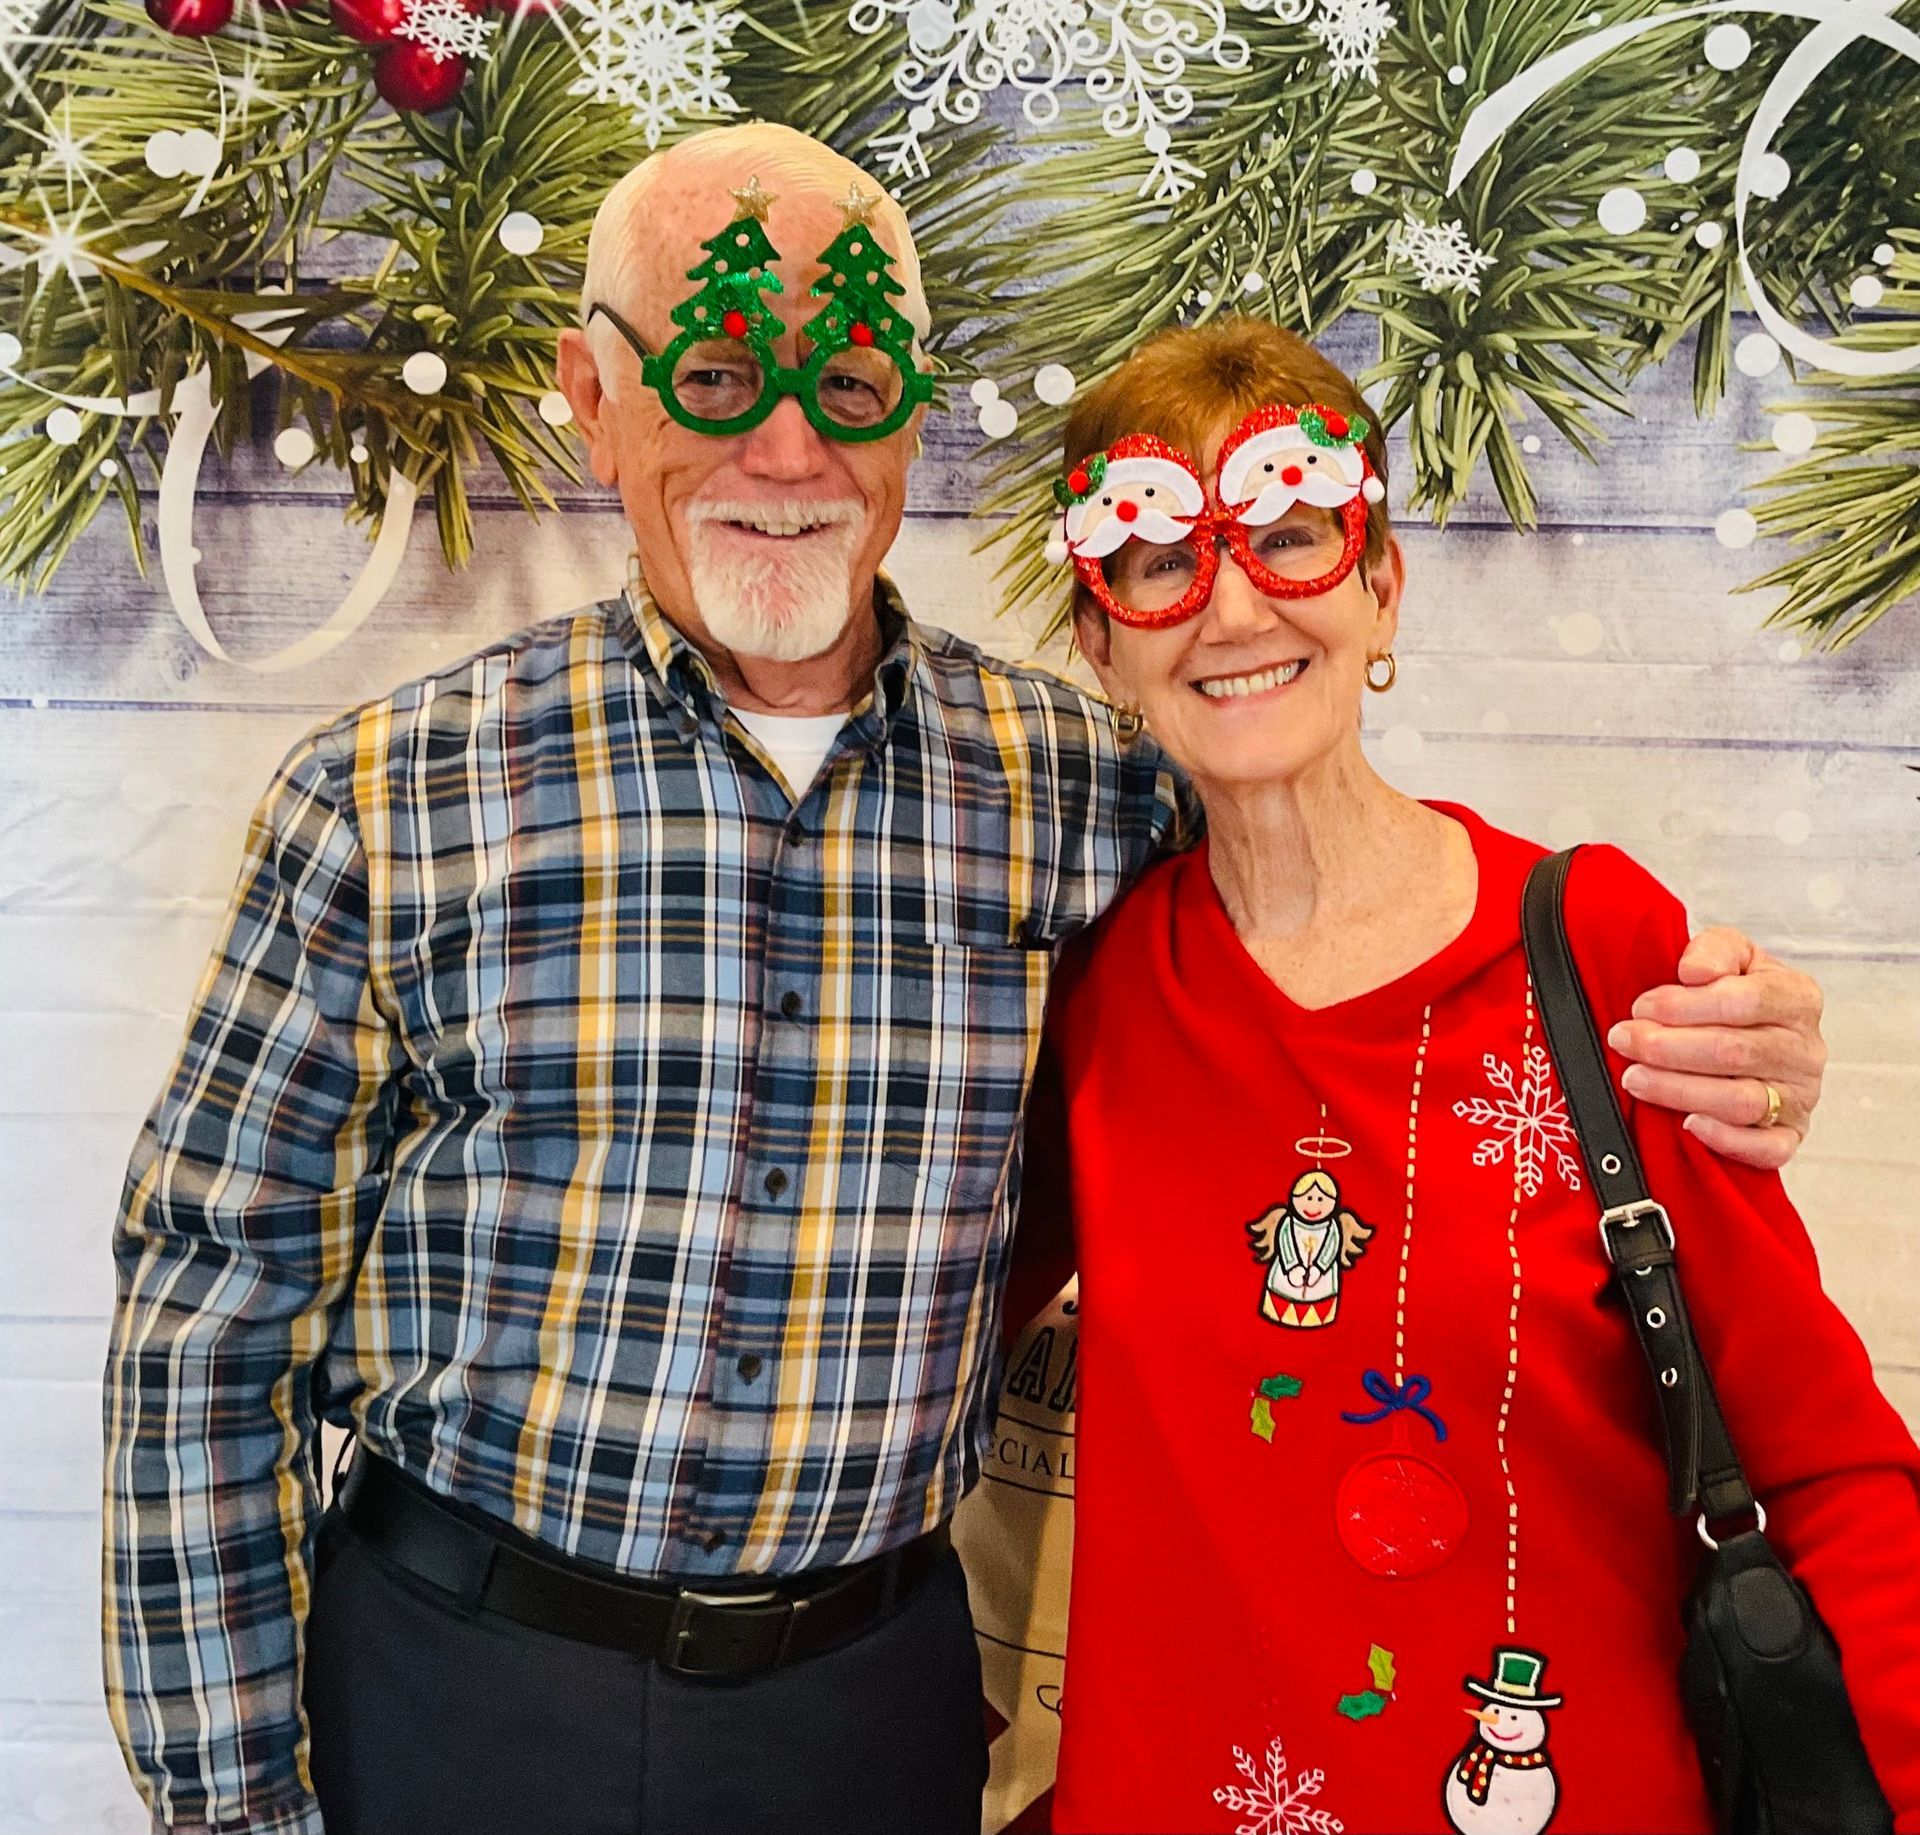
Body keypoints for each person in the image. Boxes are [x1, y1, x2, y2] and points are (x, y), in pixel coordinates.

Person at [102, 125, 1830, 1835]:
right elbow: (207, 1314)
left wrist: (1715, 1028)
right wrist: (230, 1803)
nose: (784, 448)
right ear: (590, 392)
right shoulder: (394, 796)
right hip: (462, 1678)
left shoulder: (1093, 794)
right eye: (712, 373)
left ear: (915, 409)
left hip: (868, 1707)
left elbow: (1334, 980)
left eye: (849, 384)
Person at [1011, 315, 1920, 1832]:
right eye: (1160, 561)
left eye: (1290, 538)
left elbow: (1823, 1460)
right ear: (1103, 643)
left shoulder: (1595, 948)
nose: (1229, 605)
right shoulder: (1097, 993)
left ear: (1381, 587)